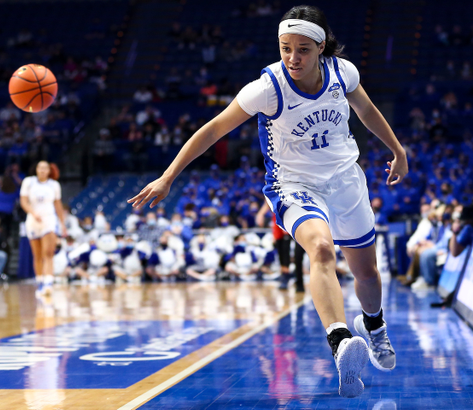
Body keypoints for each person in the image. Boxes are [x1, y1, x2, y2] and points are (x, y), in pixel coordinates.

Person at [129, 4, 407, 398]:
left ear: (321, 47)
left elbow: (366, 109)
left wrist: (397, 148)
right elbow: (212, 130)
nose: (293, 58)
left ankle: (374, 327)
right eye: (285, 48)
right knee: (322, 250)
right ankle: (341, 341)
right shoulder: (267, 88)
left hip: (346, 179)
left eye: (303, 50)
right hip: (293, 184)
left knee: (367, 274)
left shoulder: (343, 73)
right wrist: (168, 176)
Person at [20, 161, 66, 296]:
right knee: (37, 254)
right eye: (40, 168)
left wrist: (62, 223)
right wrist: (33, 213)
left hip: (49, 220)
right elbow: (23, 201)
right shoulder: (29, 182)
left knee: (48, 252)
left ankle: (48, 284)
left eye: (45, 168)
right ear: (36, 169)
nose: (42, 170)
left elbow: (58, 205)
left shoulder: (54, 185)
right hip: (33, 220)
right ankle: (40, 282)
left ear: (49, 170)